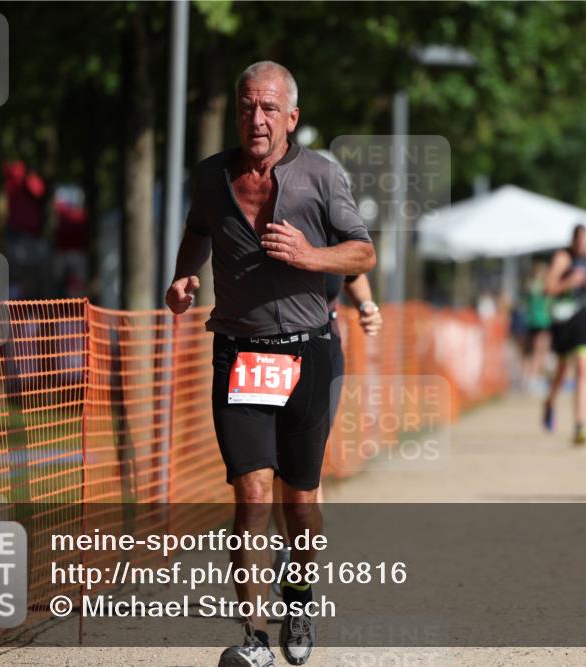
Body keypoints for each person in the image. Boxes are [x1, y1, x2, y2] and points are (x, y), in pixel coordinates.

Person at [165, 61, 375, 666]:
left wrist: (311, 255)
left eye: (267, 108)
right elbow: (197, 231)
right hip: (239, 352)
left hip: (308, 351)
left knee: (299, 504)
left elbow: (363, 250)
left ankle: (300, 598)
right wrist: (184, 277)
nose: (255, 119)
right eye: (245, 107)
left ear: (291, 117)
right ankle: (255, 639)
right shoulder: (210, 177)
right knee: (251, 497)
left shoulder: (321, 176)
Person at [270, 272, 381, 594]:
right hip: (265, 349)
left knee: (305, 463)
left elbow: (354, 269)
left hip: (322, 352)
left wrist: (367, 305)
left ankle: (300, 565)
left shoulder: (332, 226)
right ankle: (289, 548)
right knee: (275, 466)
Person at [542, 224, 586, 445]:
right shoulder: (563, 258)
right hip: (563, 319)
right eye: (579, 242)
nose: (583, 246)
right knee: (562, 372)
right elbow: (548, 287)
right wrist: (569, 282)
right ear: (573, 241)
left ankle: (580, 425)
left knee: (583, 369)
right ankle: (550, 403)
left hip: (585, 316)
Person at [523, 262, 552, 394]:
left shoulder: (530, 286)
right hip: (541, 322)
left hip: (532, 321)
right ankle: (535, 379)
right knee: (539, 352)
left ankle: (531, 378)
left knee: (531, 352)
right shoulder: (542, 287)